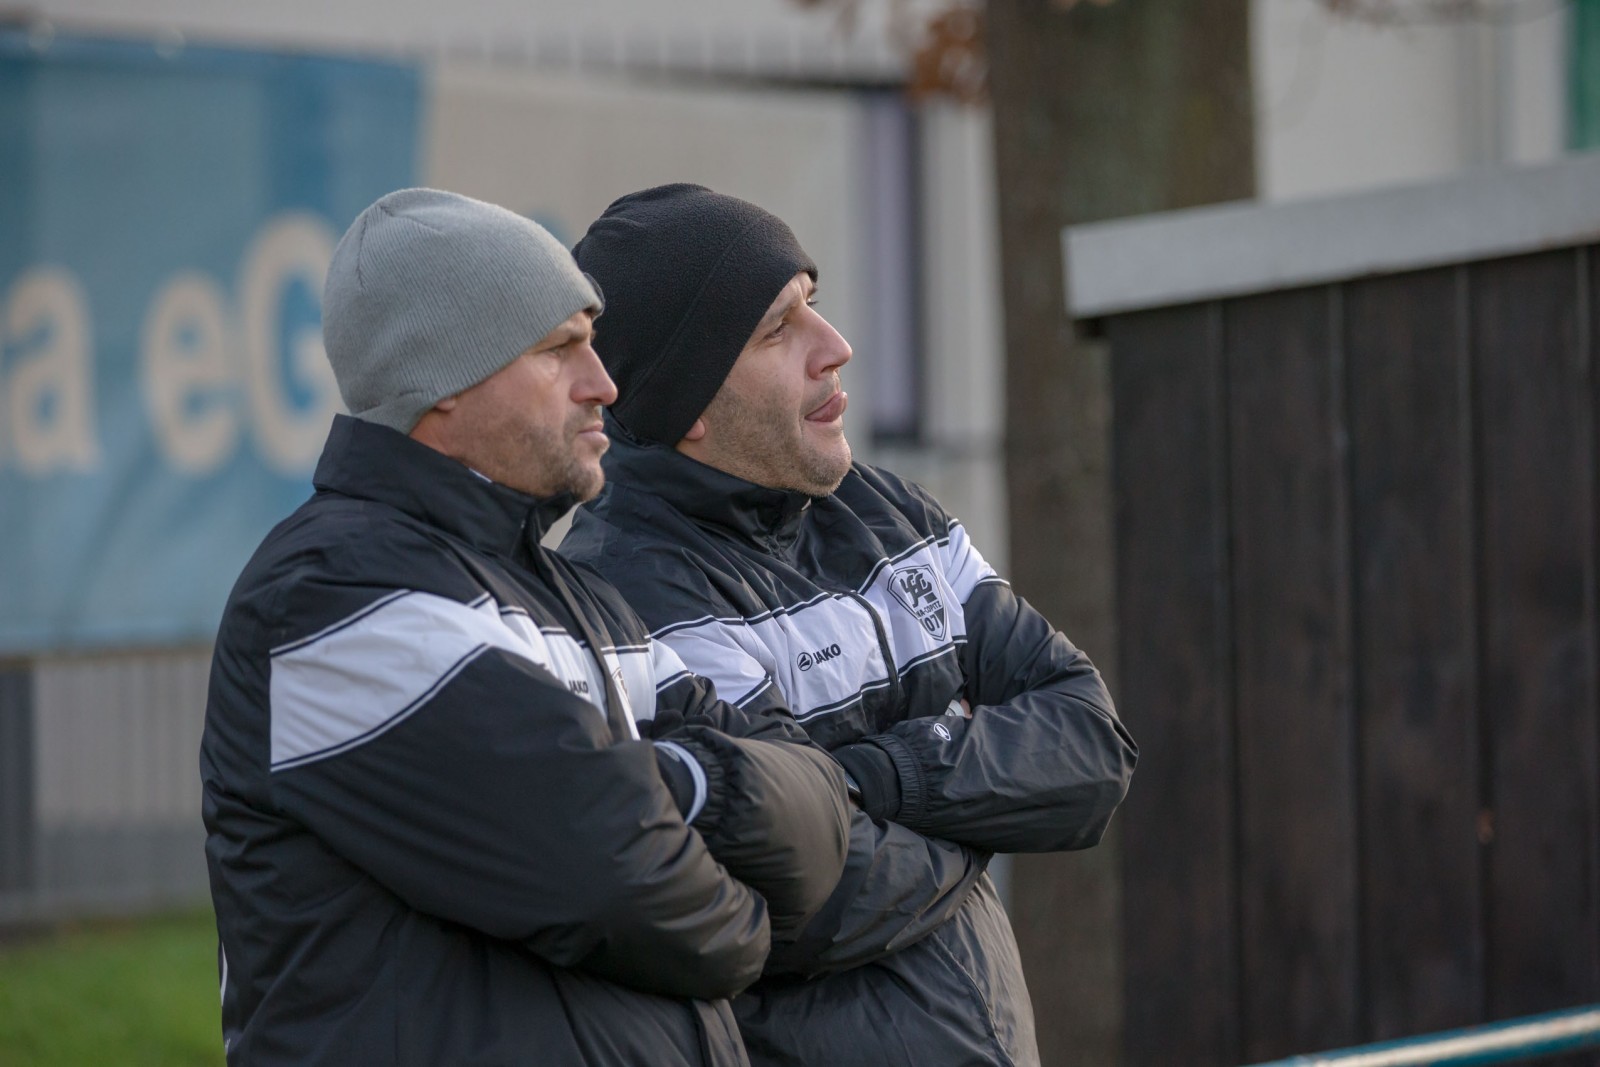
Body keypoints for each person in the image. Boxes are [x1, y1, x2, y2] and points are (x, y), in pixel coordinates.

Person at [200, 188, 853, 1067]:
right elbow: (622, 884)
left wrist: (675, 784)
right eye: (560, 349)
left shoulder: (575, 595)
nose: (605, 384)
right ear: (443, 384)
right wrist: (747, 916)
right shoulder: (332, 593)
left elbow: (820, 804)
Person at [563, 183, 1139, 1067]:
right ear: (691, 407)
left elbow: (1091, 744)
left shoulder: (884, 511)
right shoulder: (633, 595)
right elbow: (802, 893)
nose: (835, 349)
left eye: (814, 306)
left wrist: (884, 779)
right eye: (777, 330)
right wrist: (983, 810)